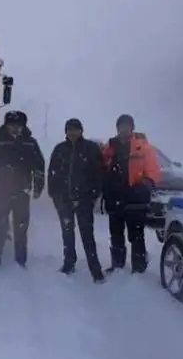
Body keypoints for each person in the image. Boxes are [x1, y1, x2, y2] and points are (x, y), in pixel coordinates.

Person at [101, 114, 162, 274]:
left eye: (127, 125)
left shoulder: (143, 147)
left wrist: (144, 186)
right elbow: (101, 168)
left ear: (132, 128)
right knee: (116, 234)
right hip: (115, 198)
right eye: (121, 126)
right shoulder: (110, 146)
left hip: (135, 199)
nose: (124, 129)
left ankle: (139, 268)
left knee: (136, 235)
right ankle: (118, 264)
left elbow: (154, 171)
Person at [0, 110, 45, 267]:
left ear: (24, 126)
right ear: (6, 125)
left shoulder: (30, 143)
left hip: (22, 190)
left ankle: (21, 259)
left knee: (21, 226)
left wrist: (38, 186)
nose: (15, 129)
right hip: (1, 190)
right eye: (12, 125)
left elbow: (39, 166)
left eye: (19, 125)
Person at [47, 118, 106, 283]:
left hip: (84, 200)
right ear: (66, 132)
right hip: (64, 200)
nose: (72, 132)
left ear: (81, 131)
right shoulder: (59, 149)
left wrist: (93, 194)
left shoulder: (91, 149)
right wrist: (54, 194)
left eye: (75, 129)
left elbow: (99, 174)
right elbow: (52, 173)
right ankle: (69, 263)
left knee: (87, 235)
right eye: (69, 130)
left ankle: (96, 270)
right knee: (67, 233)